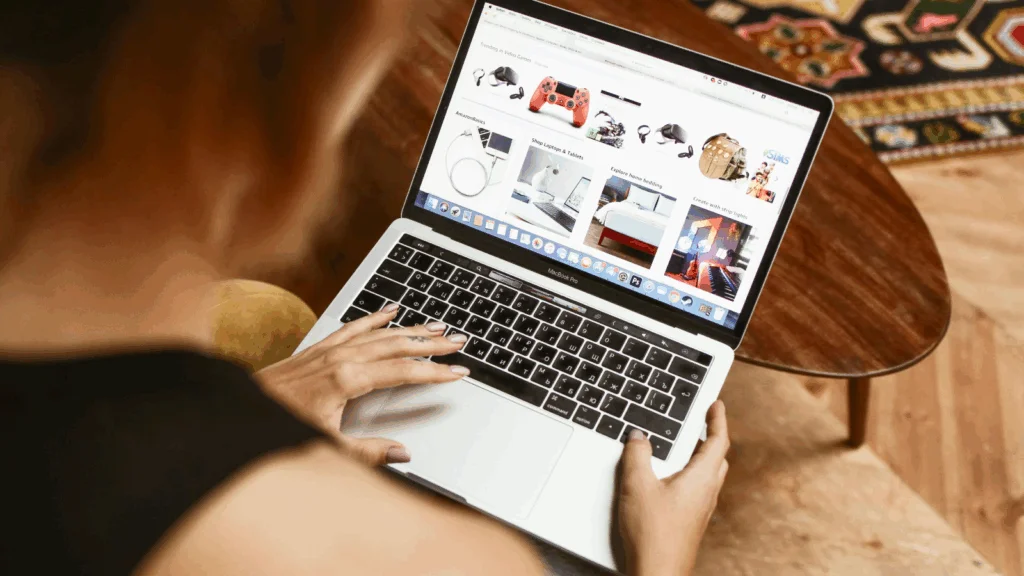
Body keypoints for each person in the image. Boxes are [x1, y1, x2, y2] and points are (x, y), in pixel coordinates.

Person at [0, 1, 730, 575]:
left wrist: (252, 412)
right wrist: (664, 561)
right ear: (279, 85)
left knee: (290, 318)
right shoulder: (433, 562)